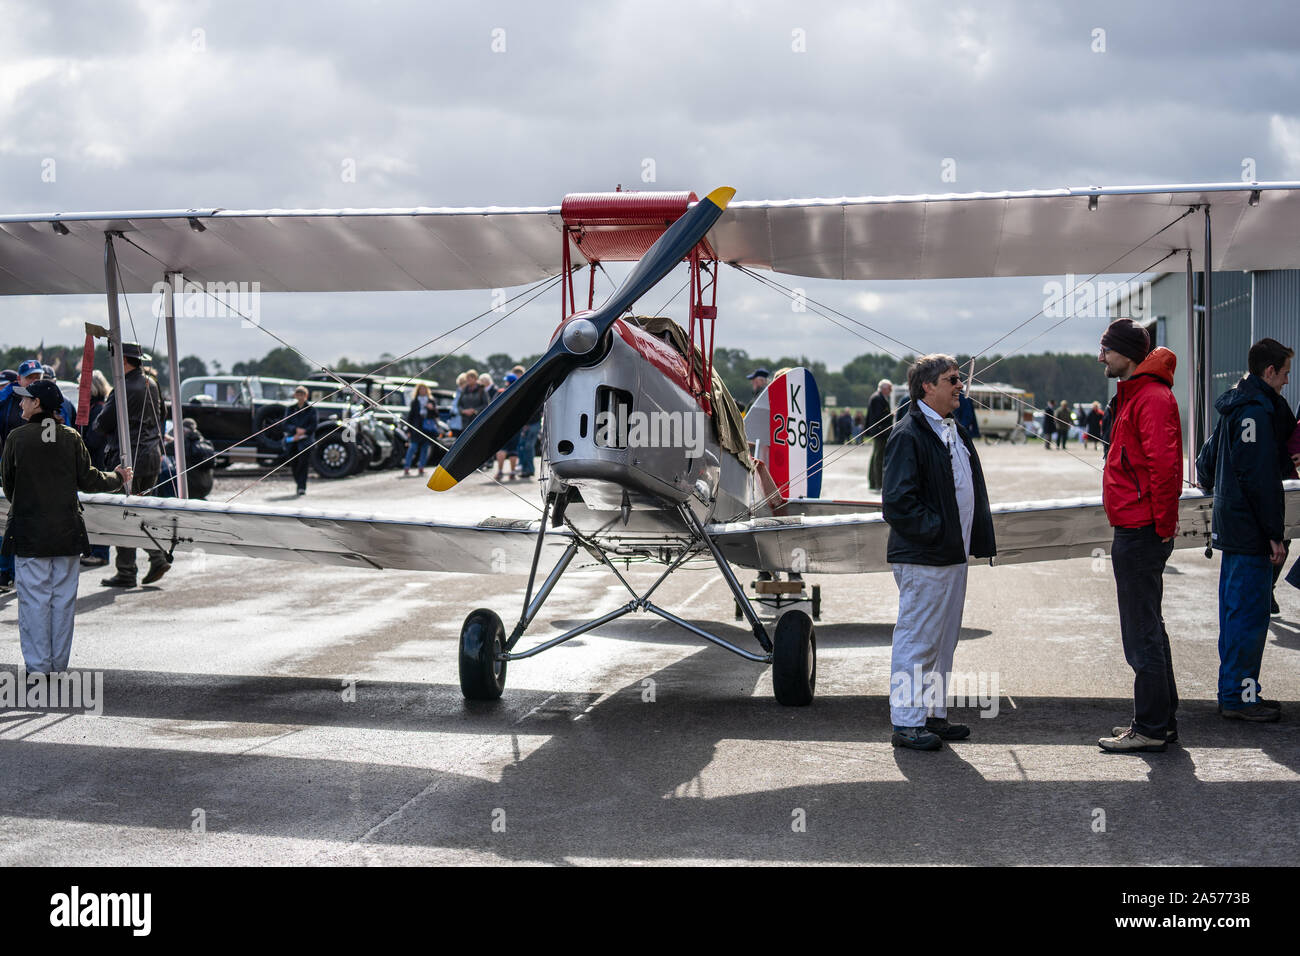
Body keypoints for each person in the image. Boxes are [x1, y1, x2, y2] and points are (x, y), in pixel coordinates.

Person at [882, 354, 996, 751]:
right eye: (952, 380)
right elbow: (897, 503)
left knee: (943, 639)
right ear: (927, 386)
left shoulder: (953, 430)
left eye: (958, 379)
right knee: (917, 638)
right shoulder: (909, 434)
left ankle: (932, 713)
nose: (959, 386)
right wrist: (938, 531)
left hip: (952, 556)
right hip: (925, 558)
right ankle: (906, 722)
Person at [1094, 319, 1184, 754]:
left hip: (1141, 530)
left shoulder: (1150, 398)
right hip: (1139, 527)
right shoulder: (1138, 394)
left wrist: (1161, 530)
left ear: (1127, 354)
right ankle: (1160, 722)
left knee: (1141, 631)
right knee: (1150, 626)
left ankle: (1150, 727)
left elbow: (1166, 471)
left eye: (1107, 349)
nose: (1101, 356)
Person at [1, 379, 131, 673]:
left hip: (29, 535)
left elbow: (9, 486)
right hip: (67, 534)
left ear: (37, 404)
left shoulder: (17, 439)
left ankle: (38, 668)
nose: (20, 403)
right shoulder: (71, 437)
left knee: (34, 604)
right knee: (62, 603)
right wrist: (119, 477)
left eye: (25, 399)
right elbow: (90, 480)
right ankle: (59, 665)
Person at [1197, 337, 1293, 723]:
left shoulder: (1238, 405)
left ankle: (1236, 691)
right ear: (1269, 372)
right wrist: (1273, 533)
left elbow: (1206, 463)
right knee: (1250, 619)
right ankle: (1239, 698)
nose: (1287, 381)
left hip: (1234, 531)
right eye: (1285, 374)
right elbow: (1258, 478)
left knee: (1237, 615)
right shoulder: (1254, 411)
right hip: (1252, 533)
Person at [95, 343, 168, 587]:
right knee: (143, 511)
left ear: (124, 360)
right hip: (151, 456)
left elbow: (103, 423)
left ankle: (127, 570)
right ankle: (155, 557)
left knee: (124, 514)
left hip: (129, 458)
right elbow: (162, 416)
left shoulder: (122, 387)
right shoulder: (152, 383)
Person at [0, 359, 45, 590]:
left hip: (36, 474)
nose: (34, 380)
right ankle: (5, 573)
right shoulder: (7, 399)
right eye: (30, 377)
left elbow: (58, 436)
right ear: (19, 379)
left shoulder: (51, 401)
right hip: (9, 468)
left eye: (38, 376)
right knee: (6, 523)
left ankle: (23, 578)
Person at [280, 385, 318, 496]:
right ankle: (299, 482)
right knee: (294, 463)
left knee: (303, 463)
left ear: (306, 396)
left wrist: (303, 431)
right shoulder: (290, 409)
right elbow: (285, 424)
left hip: (305, 440)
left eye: (302, 394)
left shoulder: (311, 410)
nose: (300, 396)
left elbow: (314, 425)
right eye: (298, 394)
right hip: (292, 440)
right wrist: (295, 430)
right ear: (295, 395)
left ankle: (301, 486)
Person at [864, 379, 893, 491]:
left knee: (876, 456)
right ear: (884, 388)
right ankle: (878, 484)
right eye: (889, 389)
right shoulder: (877, 398)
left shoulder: (879, 397)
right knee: (878, 457)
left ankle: (873, 482)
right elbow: (877, 417)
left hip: (880, 431)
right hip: (880, 432)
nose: (890, 391)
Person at [403, 383, 438, 477]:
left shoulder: (431, 401)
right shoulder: (415, 402)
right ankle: (407, 467)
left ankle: (421, 467)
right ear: (418, 391)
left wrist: (432, 408)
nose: (423, 391)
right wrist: (409, 431)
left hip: (427, 429)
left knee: (425, 449)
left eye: (424, 389)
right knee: (412, 448)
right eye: (421, 389)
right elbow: (410, 416)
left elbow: (436, 415)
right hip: (416, 428)